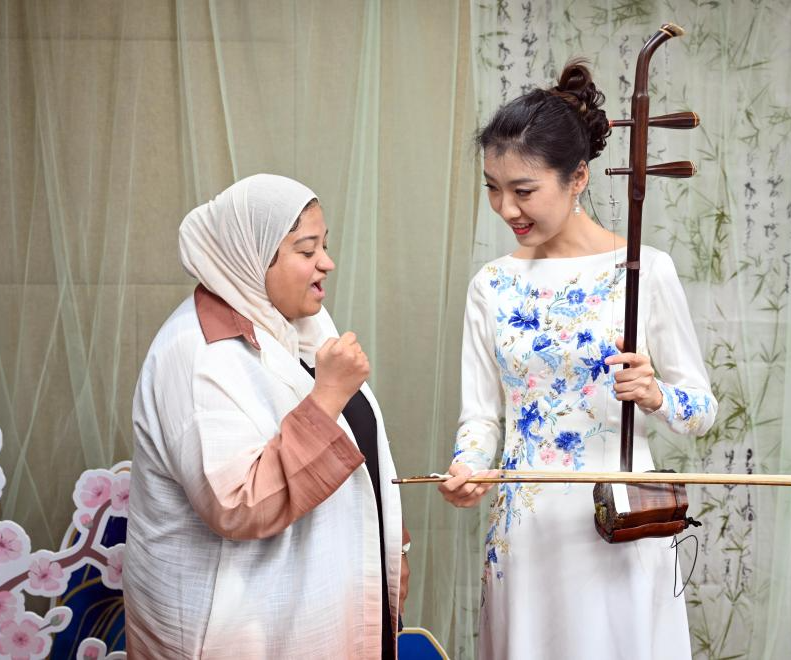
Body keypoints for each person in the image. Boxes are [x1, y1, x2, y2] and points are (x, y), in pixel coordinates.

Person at [438, 59, 717, 659]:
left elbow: (701, 410)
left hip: (618, 525)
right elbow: (481, 415)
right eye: (493, 188)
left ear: (579, 177)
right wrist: (469, 466)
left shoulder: (645, 270)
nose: (506, 208)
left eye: (524, 191)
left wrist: (656, 395)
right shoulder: (492, 284)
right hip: (526, 532)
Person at [124, 174, 408, 659]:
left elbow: (357, 448)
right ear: (251, 257)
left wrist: (391, 544)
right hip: (242, 629)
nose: (327, 262)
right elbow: (238, 504)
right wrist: (328, 396)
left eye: (325, 245)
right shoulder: (196, 355)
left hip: (323, 607)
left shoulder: (297, 326)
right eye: (307, 250)